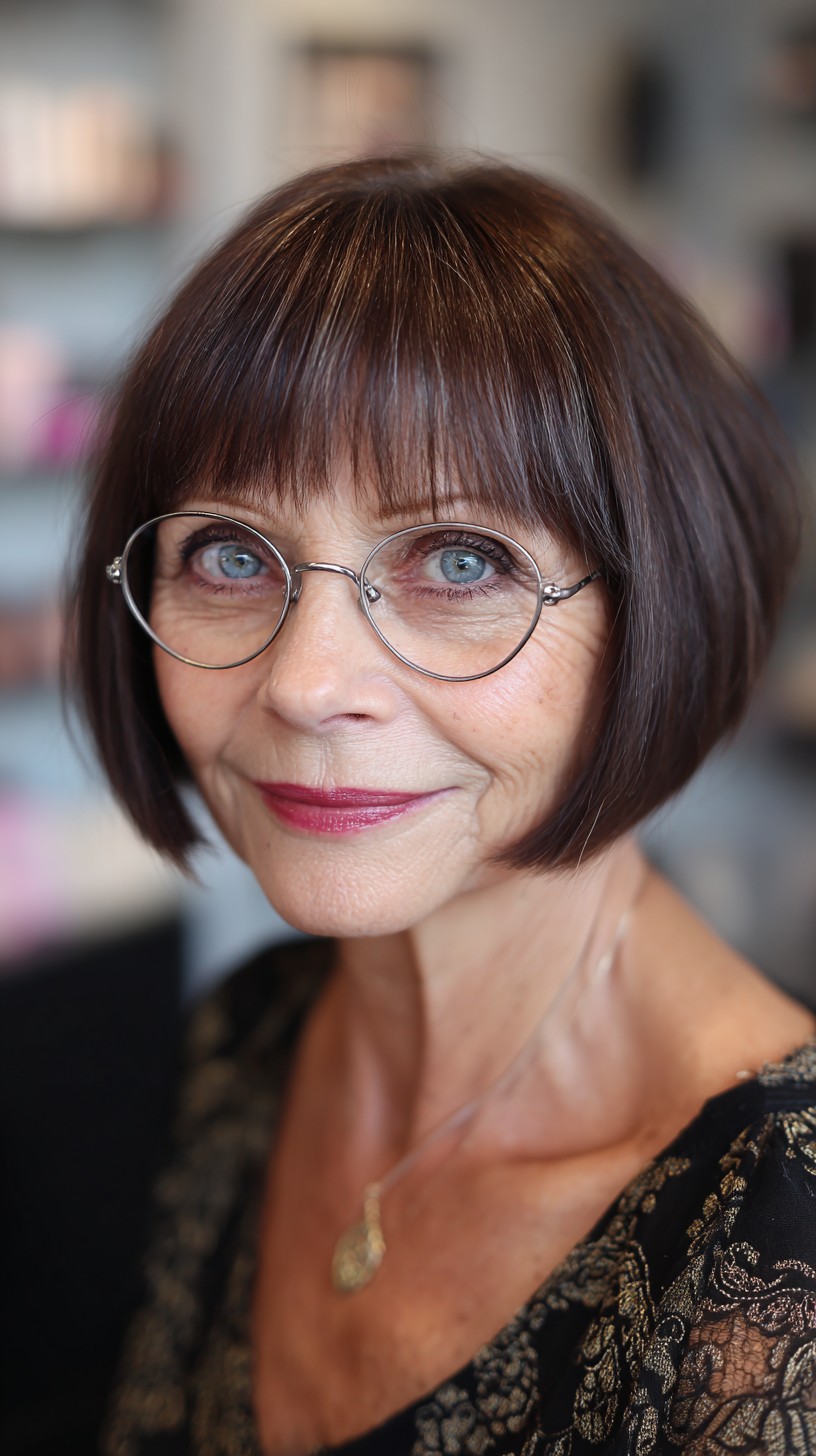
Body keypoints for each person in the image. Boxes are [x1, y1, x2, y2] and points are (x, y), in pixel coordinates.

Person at [71, 152, 816, 1456]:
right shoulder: (254, 1041)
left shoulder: (779, 1238)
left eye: (462, 561)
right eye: (231, 553)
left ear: (665, 604)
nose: (306, 684)